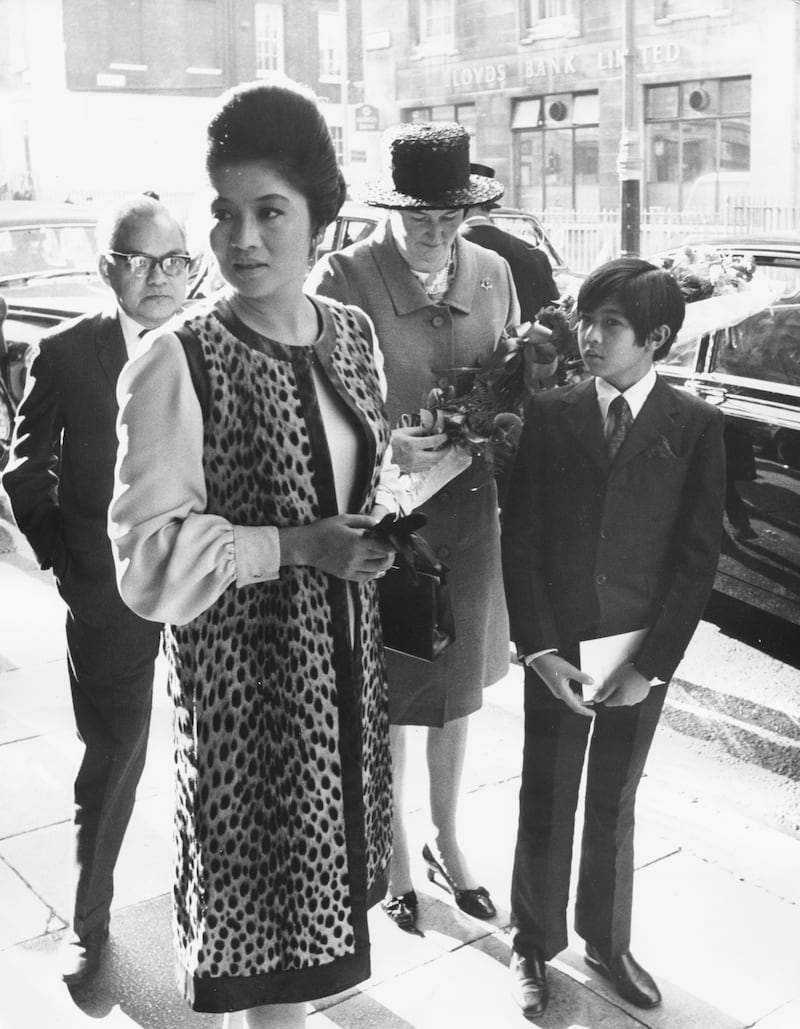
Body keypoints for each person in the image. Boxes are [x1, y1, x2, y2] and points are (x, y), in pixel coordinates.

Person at [108, 77, 405, 1028]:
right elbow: (145, 559)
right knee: (268, 969)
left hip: (344, 686)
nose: (240, 239)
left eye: (268, 211)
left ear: (321, 220)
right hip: (247, 709)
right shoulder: (178, 358)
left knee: (315, 958)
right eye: (225, 213)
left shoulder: (352, 336)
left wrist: (378, 528)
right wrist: (296, 546)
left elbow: (353, 479)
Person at [307, 122, 534, 932]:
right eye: (419, 219)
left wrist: (501, 421)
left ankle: (447, 836)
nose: (435, 233)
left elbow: (513, 377)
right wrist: (386, 434)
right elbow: (318, 401)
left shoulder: (496, 272)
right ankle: (396, 849)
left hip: (471, 524)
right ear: (389, 209)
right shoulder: (343, 277)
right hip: (391, 524)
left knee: (459, 693)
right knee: (395, 694)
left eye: (449, 218)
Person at [501, 257, 726, 1018]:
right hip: (559, 650)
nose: (589, 336)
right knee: (547, 793)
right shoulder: (554, 411)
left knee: (614, 800)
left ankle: (606, 937)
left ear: (656, 337)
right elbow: (523, 540)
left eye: (610, 325)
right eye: (585, 319)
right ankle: (532, 942)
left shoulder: (694, 425)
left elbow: (697, 560)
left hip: (635, 656)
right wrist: (537, 649)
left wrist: (652, 666)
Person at [2, 193, 189, 984]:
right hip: (105, 594)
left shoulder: (213, 344)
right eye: (138, 261)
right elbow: (23, 467)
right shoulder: (69, 350)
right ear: (107, 267)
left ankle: (211, 916)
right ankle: (92, 922)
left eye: (174, 261)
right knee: (112, 757)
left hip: (202, 589)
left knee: (210, 760)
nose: (158, 277)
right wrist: (69, 567)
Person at [460, 163, 559, 324]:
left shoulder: (447, 250)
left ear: (460, 205)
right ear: (489, 205)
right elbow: (554, 315)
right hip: (524, 347)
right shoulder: (535, 254)